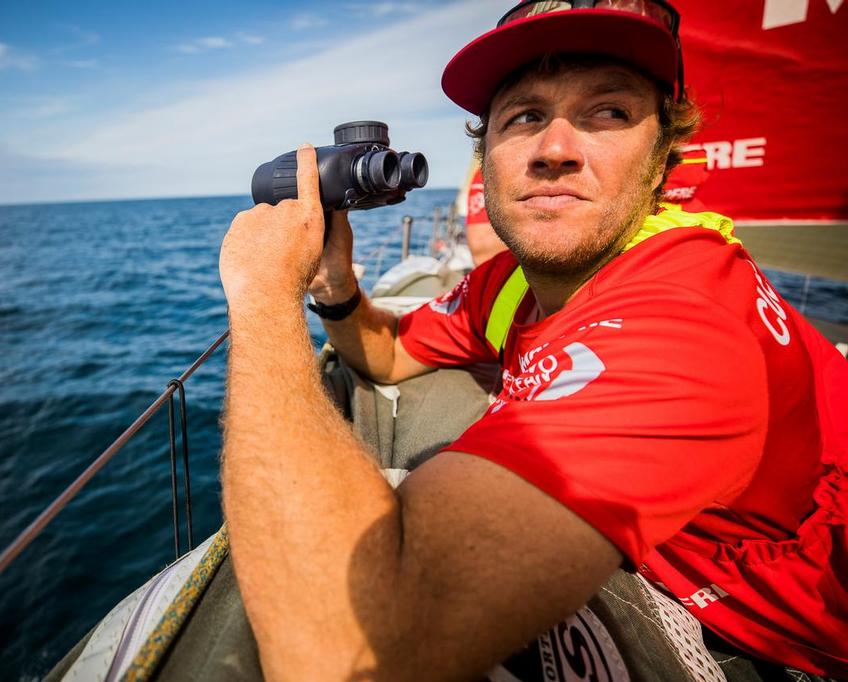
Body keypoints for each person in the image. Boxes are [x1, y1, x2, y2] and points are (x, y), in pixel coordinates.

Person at [218, 2, 847, 679]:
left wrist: (260, 296)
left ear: (664, 158)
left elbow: (351, 651)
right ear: (486, 159)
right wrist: (331, 284)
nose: (554, 150)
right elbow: (391, 352)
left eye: (608, 112)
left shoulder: (684, 322)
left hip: (791, 629)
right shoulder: (511, 283)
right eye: (523, 116)